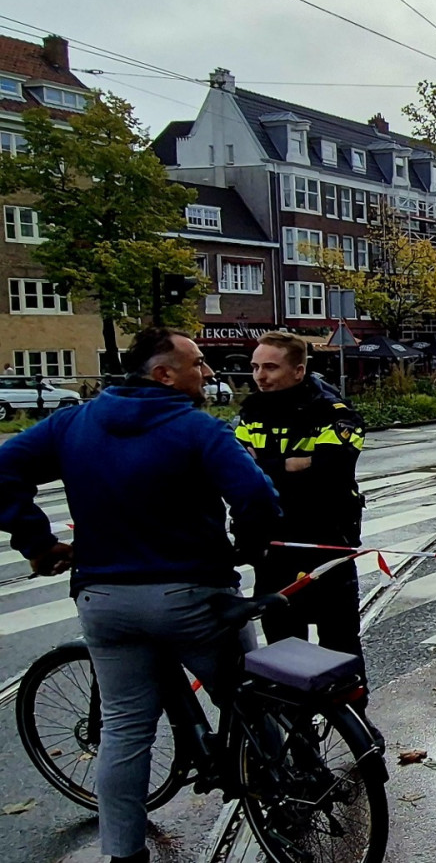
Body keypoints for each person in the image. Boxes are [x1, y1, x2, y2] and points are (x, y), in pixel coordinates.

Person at [0, 328, 280, 863]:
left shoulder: (72, 423)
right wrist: (245, 550)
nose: (208, 372)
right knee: (247, 696)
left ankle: (124, 854)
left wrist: (35, 542)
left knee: (126, 729)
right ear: (164, 374)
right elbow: (256, 498)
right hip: (194, 596)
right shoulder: (198, 429)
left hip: (106, 599)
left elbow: (2, 471)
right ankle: (285, 795)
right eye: (198, 363)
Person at [235, 332, 369, 694]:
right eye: (255, 367)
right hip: (272, 549)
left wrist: (266, 467)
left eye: (270, 367)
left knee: (340, 648)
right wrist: (292, 465)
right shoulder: (251, 411)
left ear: (298, 370)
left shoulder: (333, 412)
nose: (260, 376)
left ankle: (360, 736)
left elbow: (329, 474)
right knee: (282, 652)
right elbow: (238, 473)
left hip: (326, 546)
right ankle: (296, 737)